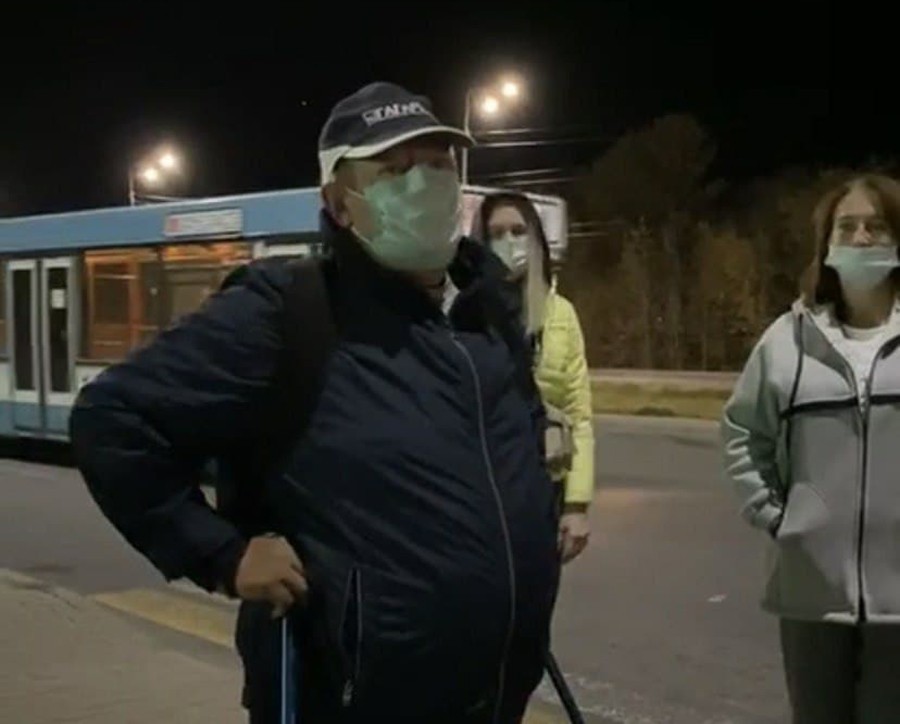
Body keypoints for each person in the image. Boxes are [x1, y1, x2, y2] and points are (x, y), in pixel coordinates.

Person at [69, 82, 561, 724]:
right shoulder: (289, 313)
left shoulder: (488, 313)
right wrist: (222, 555)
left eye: (438, 163)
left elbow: (521, 441)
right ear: (339, 202)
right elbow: (113, 420)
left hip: (497, 698)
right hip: (347, 701)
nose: (425, 183)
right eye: (394, 170)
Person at [721, 173, 900, 723]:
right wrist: (777, 517)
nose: (861, 238)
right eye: (847, 227)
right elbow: (742, 432)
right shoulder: (787, 341)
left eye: (877, 226)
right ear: (826, 243)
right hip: (810, 594)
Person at [470, 192, 594, 563]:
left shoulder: (561, 315)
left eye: (518, 231)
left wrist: (576, 505)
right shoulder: (466, 313)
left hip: (543, 489)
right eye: (496, 234)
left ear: (537, 239)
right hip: (482, 490)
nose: (509, 242)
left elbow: (579, 414)